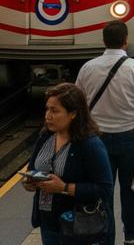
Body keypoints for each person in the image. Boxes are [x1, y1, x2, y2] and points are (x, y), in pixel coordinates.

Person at [76, 21, 134, 245]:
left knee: (103, 189)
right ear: (125, 41)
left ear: (103, 41)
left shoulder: (88, 68)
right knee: (131, 186)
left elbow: (78, 103)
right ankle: (133, 231)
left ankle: (105, 236)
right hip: (131, 138)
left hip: (97, 139)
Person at [24, 83, 113, 245]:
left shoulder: (90, 145)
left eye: (55, 111)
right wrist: (30, 181)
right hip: (49, 223)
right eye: (47, 109)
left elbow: (104, 189)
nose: (47, 116)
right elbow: (32, 167)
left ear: (73, 114)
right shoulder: (46, 137)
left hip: (79, 226)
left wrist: (64, 188)